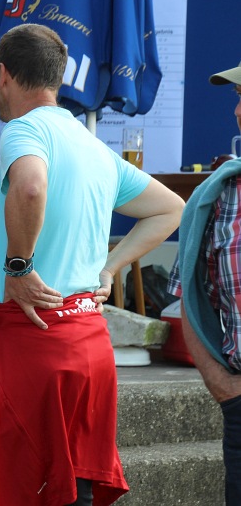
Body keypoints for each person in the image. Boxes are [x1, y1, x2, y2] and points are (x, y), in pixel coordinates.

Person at [0, 24, 183, 506]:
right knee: (67, 493)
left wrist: (18, 267)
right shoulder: (93, 145)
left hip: (32, 348)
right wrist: (109, 267)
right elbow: (170, 208)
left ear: (2, 74)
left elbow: (31, 186)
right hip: (88, 350)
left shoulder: (25, 129)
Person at [170, 61, 241, 505]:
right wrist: (222, 386)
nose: (237, 111)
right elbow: (190, 297)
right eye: (239, 98)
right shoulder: (219, 194)